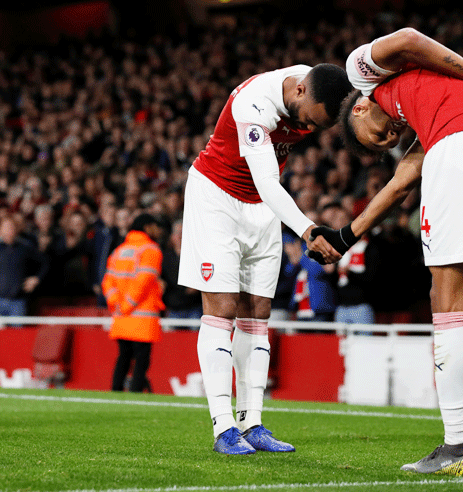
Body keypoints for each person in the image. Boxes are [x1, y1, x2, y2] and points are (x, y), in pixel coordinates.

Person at [308, 28, 463, 476]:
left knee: (447, 300)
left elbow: (409, 37)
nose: (389, 139)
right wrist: (346, 235)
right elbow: (401, 183)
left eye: (376, 137)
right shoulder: (421, 104)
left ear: (356, 109)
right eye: (386, 143)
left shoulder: (364, 74)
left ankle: (456, 445)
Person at [177, 63, 351, 455]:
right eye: (309, 120)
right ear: (300, 93)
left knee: (258, 311)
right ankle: (223, 427)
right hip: (218, 198)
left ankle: (252, 422)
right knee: (222, 309)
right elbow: (267, 181)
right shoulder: (254, 105)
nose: (309, 128)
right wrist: (309, 230)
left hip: (261, 206)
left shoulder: (319, 85)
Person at [102, 213, 165, 393]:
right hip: (141, 316)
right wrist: (128, 304)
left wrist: (117, 304)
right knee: (141, 359)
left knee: (123, 356)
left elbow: (108, 281)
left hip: (122, 315)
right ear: (147, 227)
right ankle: (135, 393)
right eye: (156, 226)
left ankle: (116, 390)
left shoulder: (119, 251)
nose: (159, 230)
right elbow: (143, 280)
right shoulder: (150, 250)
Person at [0, 216, 48, 320]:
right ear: (1, 229)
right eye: (6, 227)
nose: (9, 230)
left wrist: (36, 279)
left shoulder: (25, 247)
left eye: (12, 227)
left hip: (18, 302)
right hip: (0, 300)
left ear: (16, 229)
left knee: (18, 334)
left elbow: (44, 263)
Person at [161, 219, 202, 329]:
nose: (180, 236)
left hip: (194, 308)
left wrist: (198, 284)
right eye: (177, 233)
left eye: (183, 233)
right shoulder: (164, 257)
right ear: (172, 236)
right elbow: (160, 280)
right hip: (173, 308)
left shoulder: (197, 256)